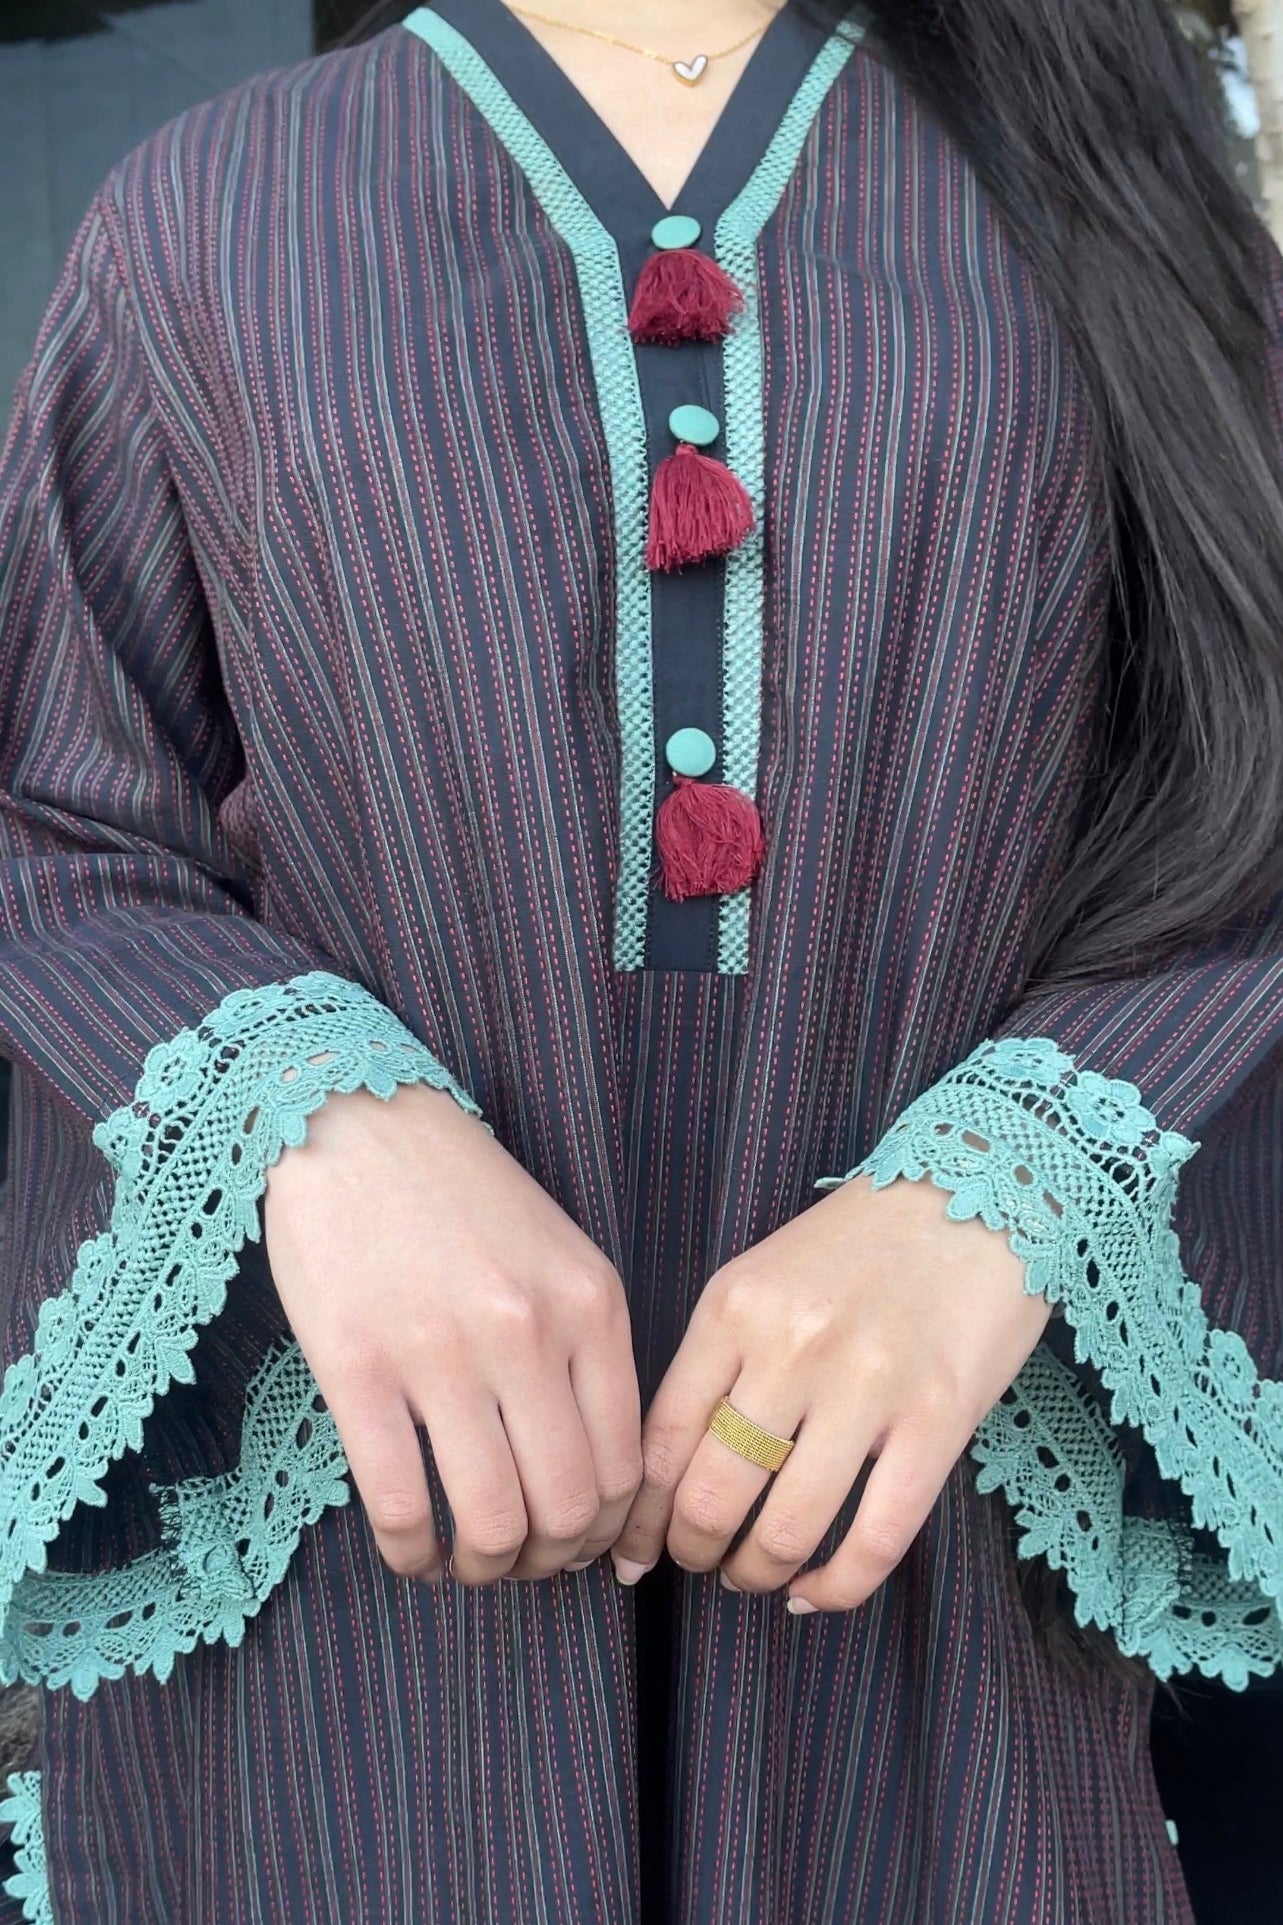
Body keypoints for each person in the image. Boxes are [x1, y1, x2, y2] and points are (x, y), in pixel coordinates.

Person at [0, 0, 1279, 1917]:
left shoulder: (1103, 186)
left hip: (940, 1587)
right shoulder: (214, 208)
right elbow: (51, 807)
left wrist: (1018, 1184)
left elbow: (1254, 791)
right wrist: (312, 1120)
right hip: (357, 1591)